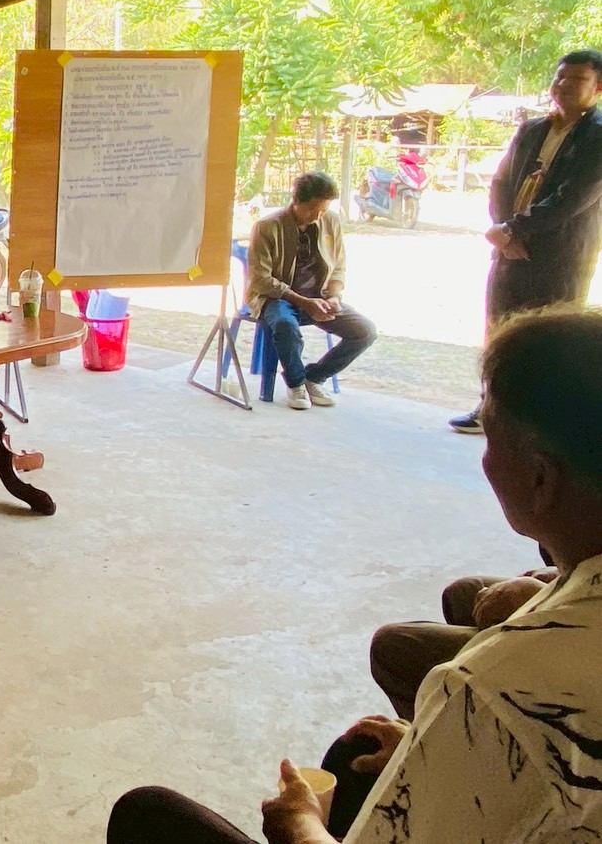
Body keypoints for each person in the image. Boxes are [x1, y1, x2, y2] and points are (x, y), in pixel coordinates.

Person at [106, 308, 602, 843]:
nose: (484, 460)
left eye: (490, 436)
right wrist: (430, 748)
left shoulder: (492, 688)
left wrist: (301, 823)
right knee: (358, 756)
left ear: (541, 479)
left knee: (147, 814)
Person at [449, 49, 602, 433]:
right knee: (499, 331)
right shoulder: (532, 129)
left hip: (560, 255)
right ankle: (491, 409)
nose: (564, 85)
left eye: (577, 79)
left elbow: (572, 198)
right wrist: (502, 230)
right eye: (560, 76)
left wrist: (514, 230)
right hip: (509, 249)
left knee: (549, 339)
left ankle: (537, 425)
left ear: (598, 88)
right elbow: (501, 183)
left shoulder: (597, 136)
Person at [246, 171, 377, 410]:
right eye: (312, 209)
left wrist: (334, 296)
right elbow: (261, 280)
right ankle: (296, 383)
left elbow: (338, 267)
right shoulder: (267, 227)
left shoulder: (331, 222)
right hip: (278, 298)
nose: (317, 216)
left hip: (320, 297)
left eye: (323, 210)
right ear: (296, 200)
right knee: (285, 325)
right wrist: (303, 302)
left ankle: (314, 377)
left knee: (365, 331)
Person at [368, 563, 557, 721]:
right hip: (572, 590)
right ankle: (467, 714)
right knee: (462, 592)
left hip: (573, 640)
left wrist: (541, 597)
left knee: (392, 646)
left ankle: (432, 745)